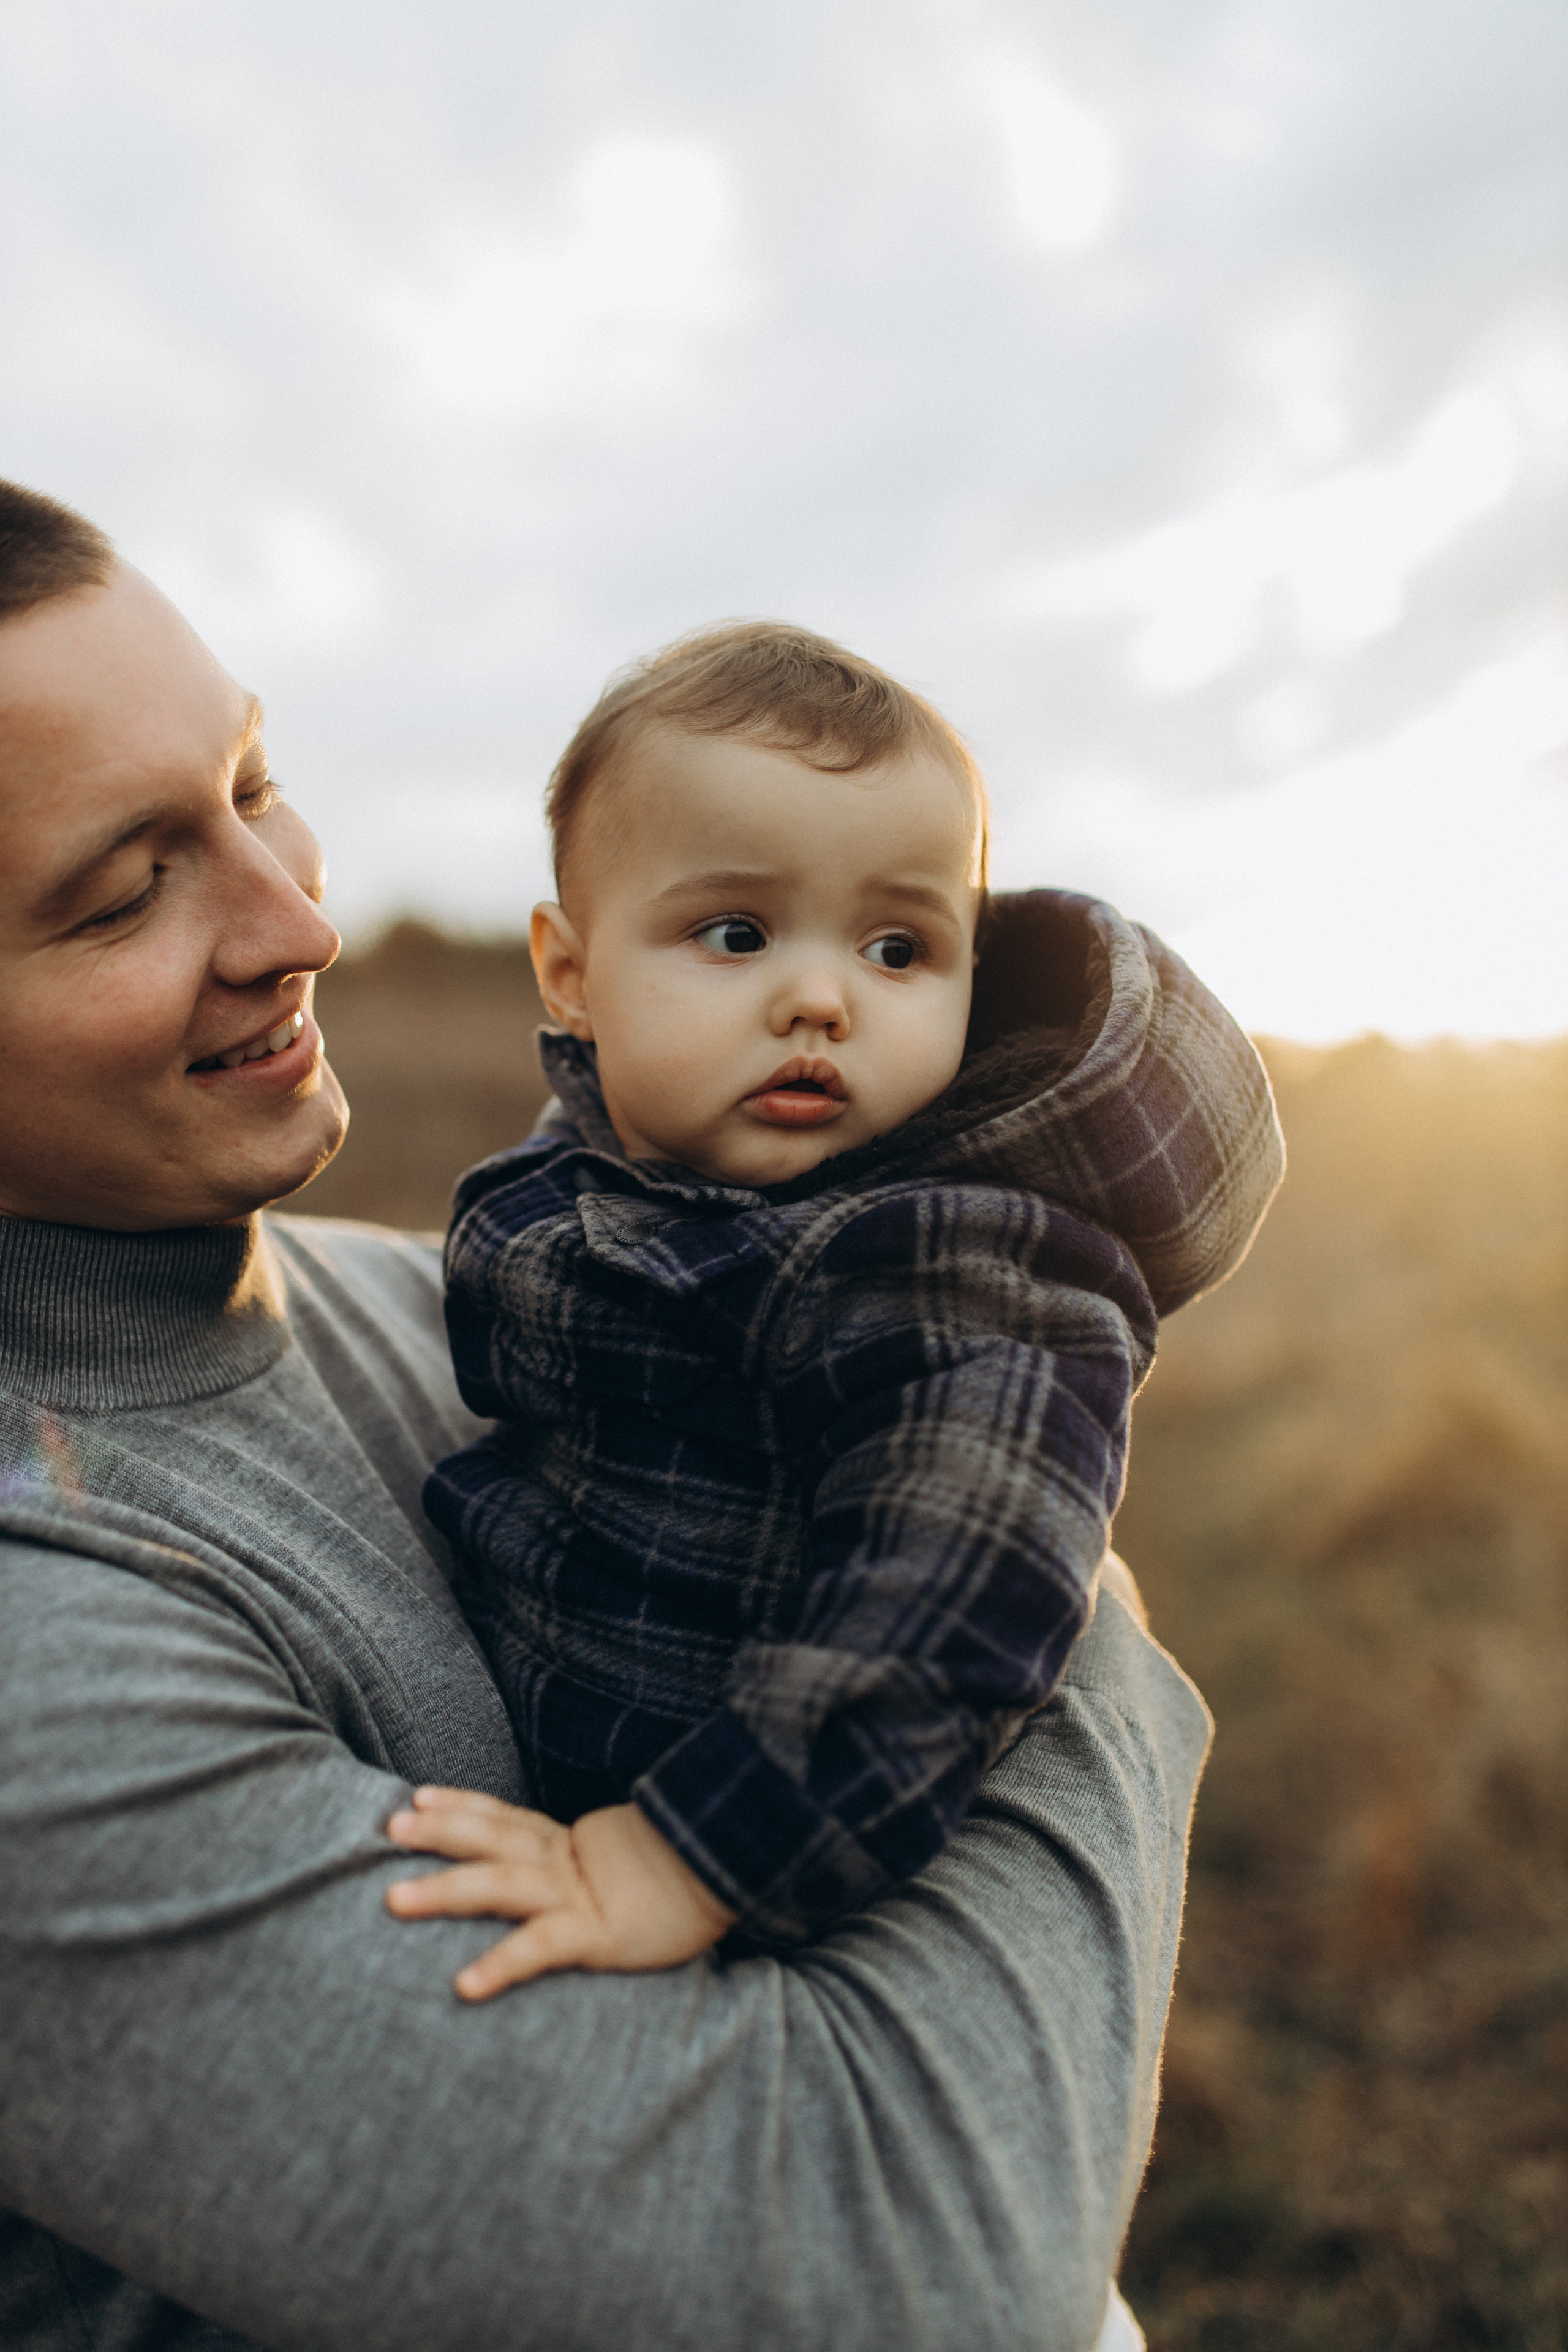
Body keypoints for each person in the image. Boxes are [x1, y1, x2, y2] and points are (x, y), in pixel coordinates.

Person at [0, 476, 1217, 2352]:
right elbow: (926, 2281)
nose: (295, 922)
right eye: (122, 891)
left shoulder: (479, 1295)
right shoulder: (41, 1654)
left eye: (252, 787)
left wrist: (1002, 1421)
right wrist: (1067, 1608)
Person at [386, 624, 1284, 2000]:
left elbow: (948, 1603)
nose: (819, 997)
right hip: (551, 1754)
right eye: (734, 934)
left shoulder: (945, 1261)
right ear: (570, 973)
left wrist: (693, 1859)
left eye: (896, 947)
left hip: (744, 1856)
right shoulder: (629, 1161)